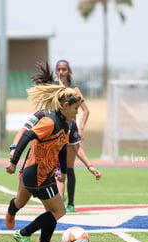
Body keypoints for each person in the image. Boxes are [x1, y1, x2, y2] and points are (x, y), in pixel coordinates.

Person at [5, 62, 101, 236]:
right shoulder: (42, 116)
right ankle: (12, 212)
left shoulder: (69, 122)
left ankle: (44, 241)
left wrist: (89, 166)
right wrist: (14, 150)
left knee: (55, 208)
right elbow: (24, 132)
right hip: (34, 165)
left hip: (55, 168)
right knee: (21, 200)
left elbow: (73, 146)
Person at [55, 59, 91, 212]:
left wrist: (80, 128)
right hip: (56, 131)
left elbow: (86, 111)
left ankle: (70, 203)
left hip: (70, 132)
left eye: (64, 69)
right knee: (54, 167)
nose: (61, 72)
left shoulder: (74, 90)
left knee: (68, 167)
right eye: (58, 69)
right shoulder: (54, 90)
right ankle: (57, 196)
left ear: (69, 71)